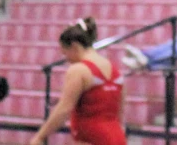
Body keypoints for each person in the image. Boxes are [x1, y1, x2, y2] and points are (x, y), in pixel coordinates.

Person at [29, 17, 125, 145]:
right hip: (117, 137)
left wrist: (40, 136)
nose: (67, 59)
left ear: (74, 46)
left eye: (65, 53)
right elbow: (120, 111)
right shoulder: (116, 71)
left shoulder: (78, 70)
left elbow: (64, 109)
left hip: (92, 139)